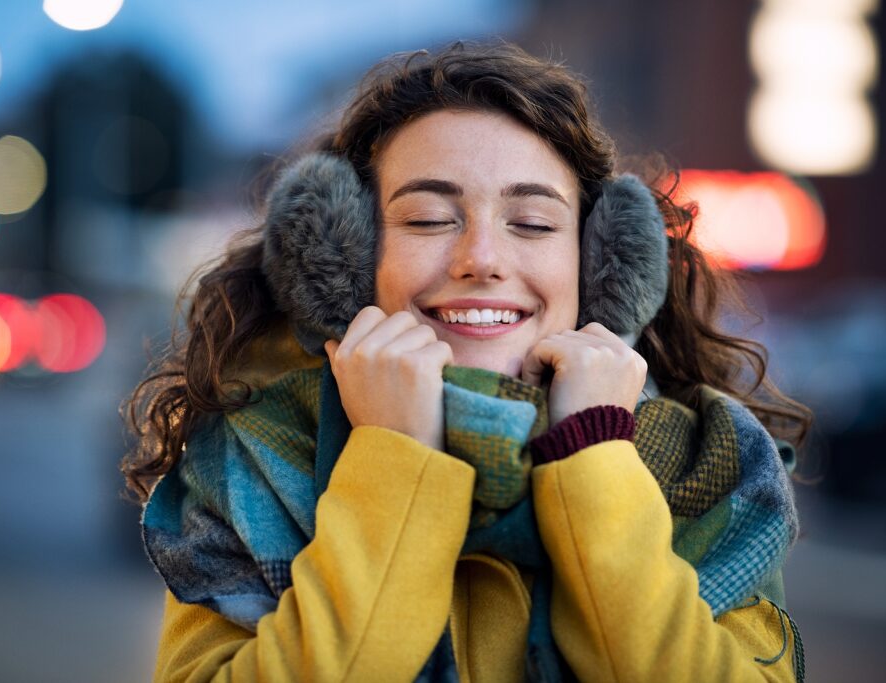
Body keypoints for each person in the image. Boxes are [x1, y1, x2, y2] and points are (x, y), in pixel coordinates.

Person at [123, 42, 811, 682]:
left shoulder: (704, 467)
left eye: (534, 224)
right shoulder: (248, 465)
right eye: (427, 219)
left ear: (602, 264)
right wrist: (393, 458)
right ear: (345, 259)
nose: (480, 257)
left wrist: (596, 454)